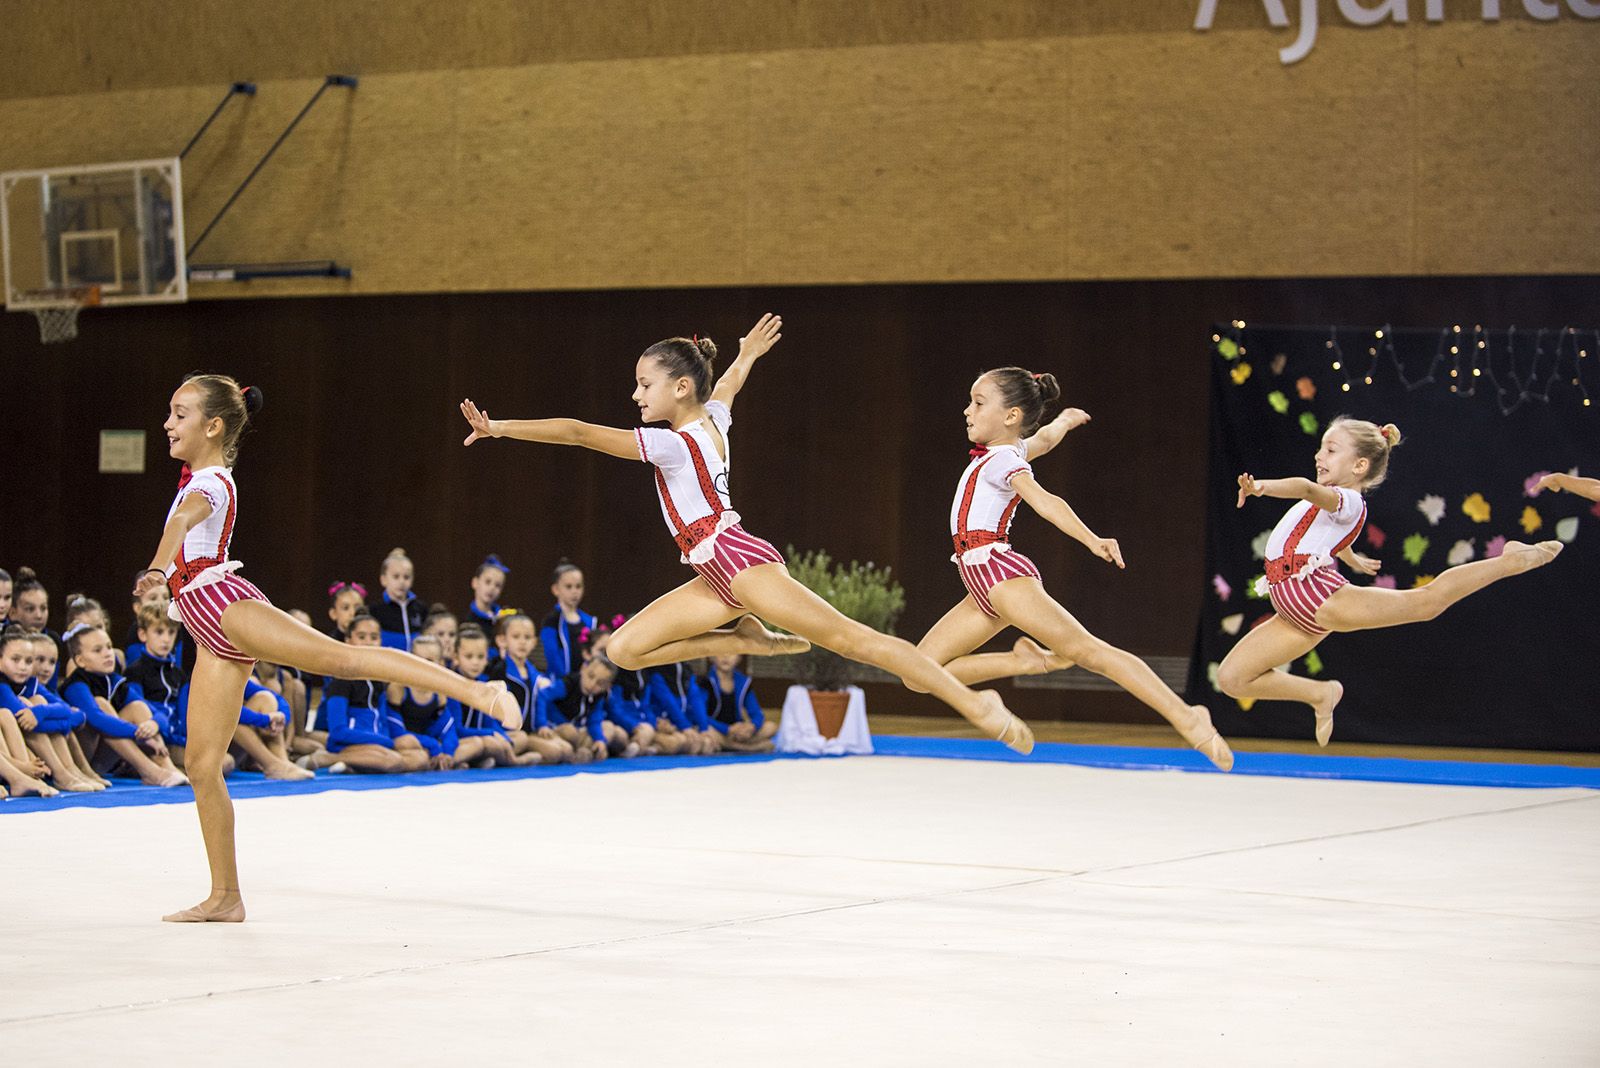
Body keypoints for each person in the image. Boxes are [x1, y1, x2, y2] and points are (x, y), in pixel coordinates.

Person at [459, 313, 1031, 751]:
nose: (636, 397)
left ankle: (974, 703)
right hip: (712, 575)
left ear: (681, 387)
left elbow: (581, 433)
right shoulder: (713, 419)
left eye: (644, 385)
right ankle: (746, 640)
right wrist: (746, 353)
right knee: (624, 651)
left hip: (738, 561)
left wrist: (500, 428)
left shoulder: (673, 443)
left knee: (855, 640)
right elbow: (727, 386)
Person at [134, 374, 519, 924]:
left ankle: (477, 691)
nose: (168, 423)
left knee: (343, 659)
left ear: (213, 425)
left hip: (223, 605)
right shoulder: (200, 477)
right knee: (200, 765)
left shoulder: (211, 482)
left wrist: (155, 567)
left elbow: (183, 519)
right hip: (205, 628)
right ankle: (226, 896)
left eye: (179, 413)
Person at [1219, 419, 1562, 744]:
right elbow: (1329, 533)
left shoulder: (1347, 498)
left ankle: (1509, 561)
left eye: (1331, 449)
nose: (1319, 456)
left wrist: (1262, 487)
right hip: (1292, 608)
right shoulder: (1338, 505)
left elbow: (1306, 489)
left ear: (1359, 466)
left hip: (1316, 598)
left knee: (1426, 603)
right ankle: (1321, 694)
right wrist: (1351, 556)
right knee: (1232, 678)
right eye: (1321, 448)